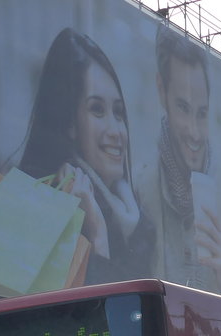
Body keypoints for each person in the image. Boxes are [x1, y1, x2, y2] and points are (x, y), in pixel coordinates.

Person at [18, 28, 156, 285]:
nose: (116, 131)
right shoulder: (50, 203)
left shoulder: (133, 216)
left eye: (118, 112)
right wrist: (97, 235)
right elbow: (91, 314)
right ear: (69, 121)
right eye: (97, 109)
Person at [139, 28, 221, 302]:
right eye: (183, 109)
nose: (195, 132)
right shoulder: (140, 194)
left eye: (202, 113)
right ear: (162, 91)